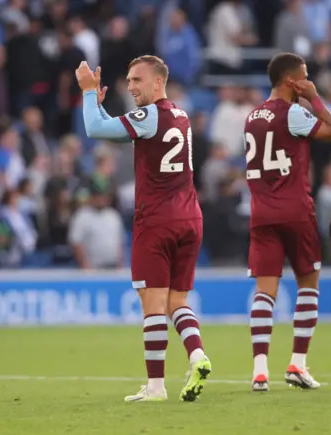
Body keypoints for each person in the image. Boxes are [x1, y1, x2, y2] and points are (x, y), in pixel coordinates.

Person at [76, 56, 210, 403]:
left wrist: (89, 93)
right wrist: (104, 111)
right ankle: (198, 356)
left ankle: (156, 387)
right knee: (177, 301)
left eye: (137, 80)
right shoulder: (179, 115)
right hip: (190, 217)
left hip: (157, 220)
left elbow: (94, 130)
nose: (131, 86)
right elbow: (121, 129)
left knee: (152, 304)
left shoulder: (150, 116)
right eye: (129, 80)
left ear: (158, 82)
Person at [244, 52, 331, 392]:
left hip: (261, 213)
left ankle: (259, 371)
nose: (307, 81)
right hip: (296, 210)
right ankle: (297, 364)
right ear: (291, 81)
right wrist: (314, 96)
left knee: (264, 292)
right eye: (304, 76)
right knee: (308, 286)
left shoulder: (251, 116)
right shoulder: (295, 114)